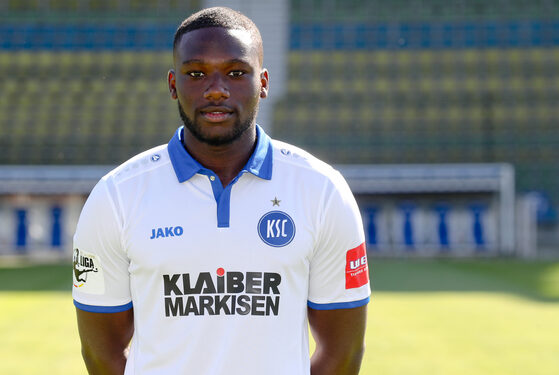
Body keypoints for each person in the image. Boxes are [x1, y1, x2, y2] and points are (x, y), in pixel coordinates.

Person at [72, 7, 370, 375]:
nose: (216, 89)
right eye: (196, 74)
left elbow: (344, 352)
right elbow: (101, 353)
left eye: (236, 72)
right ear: (172, 85)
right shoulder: (116, 197)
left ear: (262, 82)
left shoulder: (322, 190)